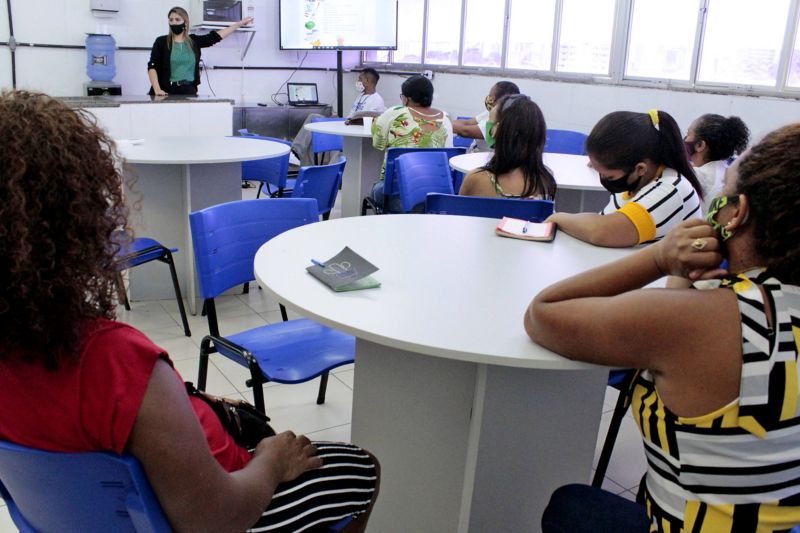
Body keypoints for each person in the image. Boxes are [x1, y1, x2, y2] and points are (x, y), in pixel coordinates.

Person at [0, 90, 379, 533]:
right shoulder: (117, 361)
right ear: (78, 220)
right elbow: (217, 518)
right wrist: (273, 463)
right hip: (234, 503)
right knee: (360, 466)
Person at [526, 123, 800, 532]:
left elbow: (543, 314)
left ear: (736, 212)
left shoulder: (703, 318)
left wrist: (659, 258)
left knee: (571, 505)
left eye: (723, 188)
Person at [546, 109, 704, 247]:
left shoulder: (672, 190)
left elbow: (602, 231)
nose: (603, 178)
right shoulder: (637, 180)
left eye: (608, 175)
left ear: (640, 168)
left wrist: (557, 217)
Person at [369, 74, 454, 212]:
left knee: (377, 189)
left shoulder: (394, 113)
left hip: (396, 196)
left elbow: (378, 144)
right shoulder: (445, 119)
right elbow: (449, 157)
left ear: (407, 99)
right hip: (435, 199)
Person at [459, 94, 556, 200]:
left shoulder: (476, 180)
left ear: (497, 131)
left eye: (491, 123)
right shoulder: (546, 181)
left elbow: (457, 215)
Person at [290, 68, 387, 167]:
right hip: (346, 123)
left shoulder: (377, 100)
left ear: (367, 81)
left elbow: (371, 123)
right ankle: (296, 153)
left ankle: (328, 173)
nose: (358, 82)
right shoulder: (361, 96)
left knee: (337, 147)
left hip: (353, 132)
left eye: (360, 79)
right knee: (313, 117)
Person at [148, 6, 252, 96]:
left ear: (185, 22)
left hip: (188, 91)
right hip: (165, 92)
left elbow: (215, 37)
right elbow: (152, 67)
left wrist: (239, 24)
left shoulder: (194, 41)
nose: (174, 22)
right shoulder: (161, 42)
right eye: (171, 20)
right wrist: (157, 89)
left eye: (177, 19)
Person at [685, 113, 750, 212]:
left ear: (700, 145)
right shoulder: (726, 171)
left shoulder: (697, 176)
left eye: (688, 134)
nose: (685, 139)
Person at [452, 81, 520, 152]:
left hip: (484, 159)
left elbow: (465, 131)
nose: (488, 99)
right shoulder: (491, 111)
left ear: (500, 101)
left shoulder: (504, 121)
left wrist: (443, 124)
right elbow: (467, 123)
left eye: (490, 96)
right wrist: (445, 120)